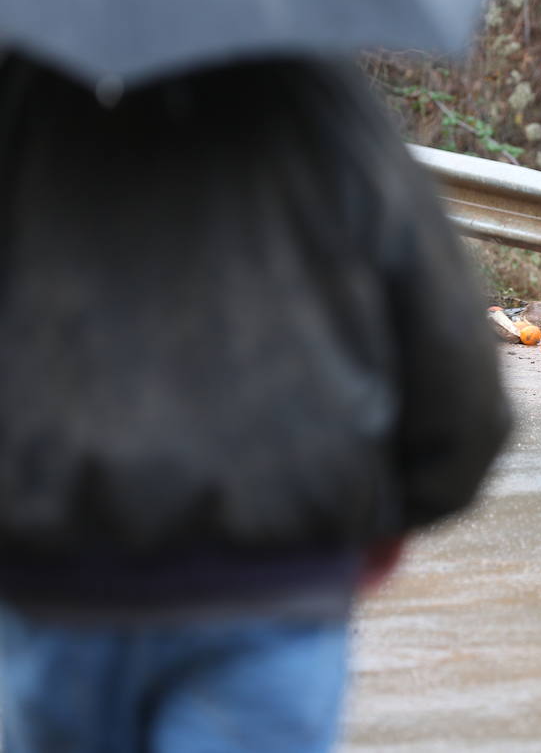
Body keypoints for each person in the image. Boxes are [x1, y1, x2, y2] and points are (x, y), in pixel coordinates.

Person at [0, 52, 511, 751]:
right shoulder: (314, 93)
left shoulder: (24, 88)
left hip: (53, 583)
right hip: (270, 581)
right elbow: (453, 359)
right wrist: (396, 507)